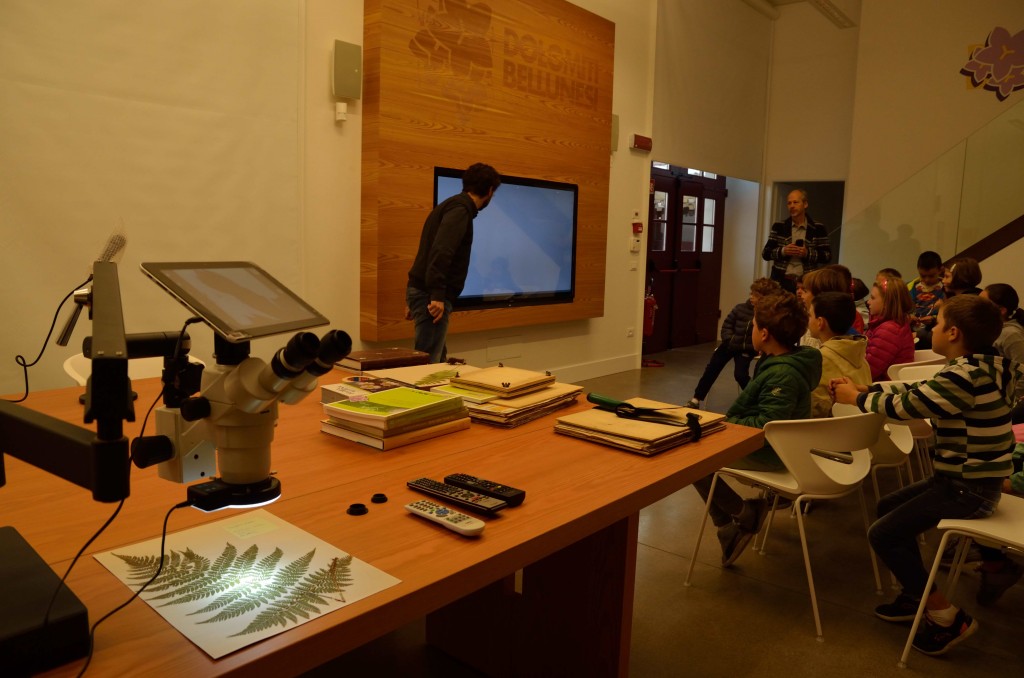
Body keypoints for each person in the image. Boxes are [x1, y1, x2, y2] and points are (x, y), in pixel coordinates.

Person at [832, 294, 1021, 656]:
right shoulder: (988, 365)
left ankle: (945, 615)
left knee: (883, 534)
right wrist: (867, 390)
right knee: (887, 507)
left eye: (935, 323)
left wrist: (854, 399)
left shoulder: (964, 376)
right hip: (968, 481)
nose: (929, 327)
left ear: (952, 332)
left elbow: (908, 406)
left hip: (968, 487)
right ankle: (915, 593)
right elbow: (922, 391)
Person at [692, 291, 822, 567]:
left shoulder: (782, 374)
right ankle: (730, 525)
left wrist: (724, 425)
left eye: (752, 325)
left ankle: (741, 514)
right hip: (772, 445)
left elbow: (765, 426)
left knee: (690, 457)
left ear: (764, 334)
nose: (749, 329)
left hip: (773, 453)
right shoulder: (777, 362)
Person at [406, 163, 501, 362]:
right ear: (490, 191)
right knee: (427, 366)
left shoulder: (450, 205)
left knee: (438, 361)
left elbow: (429, 251)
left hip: (424, 293)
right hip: (431, 297)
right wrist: (437, 295)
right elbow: (442, 251)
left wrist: (415, 296)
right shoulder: (460, 210)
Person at [684, 278, 781, 409]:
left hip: (747, 349)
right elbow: (727, 325)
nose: (751, 297)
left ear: (764, 297)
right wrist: (729, 339)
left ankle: (753, 399)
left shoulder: (767, 315)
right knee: (712, 369)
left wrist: (754, 348)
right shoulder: (740, 308)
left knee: (740, 375)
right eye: (751, 293)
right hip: (730, 345)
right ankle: (696, 399)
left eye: (755, 295)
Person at [807, 291, 870, 418]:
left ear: (820, 322)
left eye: (809, 315)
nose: (807, 320)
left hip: (829, 432)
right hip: (863, 431)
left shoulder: (818, 359)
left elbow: (814, 410)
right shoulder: (860, 356)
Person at [761, 189, 831, 294]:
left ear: (805, 204)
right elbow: (766, 253)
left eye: (795, 202)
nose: (792, 206)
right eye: (789, 203)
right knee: (779, 309)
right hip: (781, 281)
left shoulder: (818, 228)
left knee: (804, 310)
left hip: (806, 283)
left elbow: (827, 256)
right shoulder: (779, 226)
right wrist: (784, 251)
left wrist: (807, 253)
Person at [864, 274, 915, 381]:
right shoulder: (889, 324)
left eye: (873, 298)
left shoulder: (889, 330)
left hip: (882, 387)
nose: (868, 302)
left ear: (887, 303)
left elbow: (867, 372)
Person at [906, 251, 945, 349]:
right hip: (912, 332)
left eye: (931, 276)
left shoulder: (945, 289)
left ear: (940, 270)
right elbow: (905, 308)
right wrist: (909, 317)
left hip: (932, 335)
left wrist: (934, 319)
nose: (927, 280)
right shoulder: (911, 287)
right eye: (923, 276)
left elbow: (948, 315)